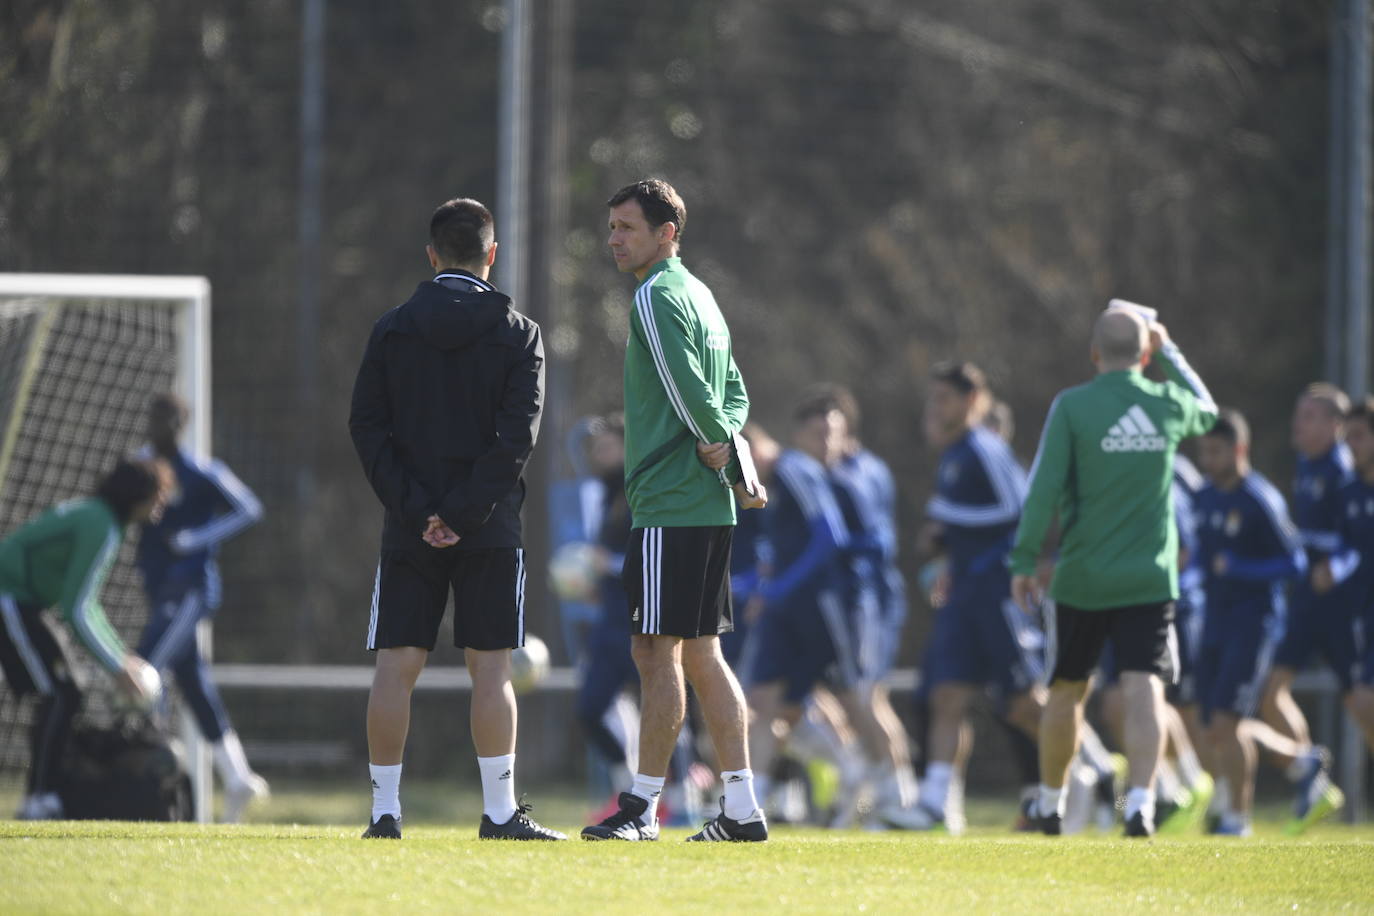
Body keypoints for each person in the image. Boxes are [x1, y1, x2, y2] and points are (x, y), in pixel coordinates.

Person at [348, 196, 562, 841]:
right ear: (492, 255)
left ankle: (385, 812)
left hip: (409, 525)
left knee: (396, 666)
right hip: (490, 525)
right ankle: (499, 814)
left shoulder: (393, 327)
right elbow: (515, 439)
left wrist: (418, 510)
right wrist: (465, 514)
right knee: (492, 670)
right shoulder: (519, 332)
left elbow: (367, 427)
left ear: (432, 254)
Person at [584, 178, 767, 842]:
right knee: (701, 654)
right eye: (612, 227)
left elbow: (689, 389)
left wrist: (719, 441)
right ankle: (742, 807)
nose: (614, 239)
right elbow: (737, 389)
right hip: (706, 506)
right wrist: (732, 440)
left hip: (670, 502)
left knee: (655, 651)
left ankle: (641, 809)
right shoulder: (702, 294)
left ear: (667, 233)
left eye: (627, 227)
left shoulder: (657, 295)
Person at [1010, 306, 1217, 837]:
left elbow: (1043, 491)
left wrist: (1025, 558)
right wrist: (1169, 351)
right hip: (1148, 577)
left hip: (1082, 578)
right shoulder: (1166, 403)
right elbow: (1209, 410)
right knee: (1145, 685)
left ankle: (1052, 804)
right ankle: (1144, 803)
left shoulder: (1073, 407)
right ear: (1145, 354)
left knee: (1066, 690)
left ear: (1094, 353)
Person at [895, 362, 1042, 831]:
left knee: (1022, 704)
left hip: (997, 592)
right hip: (964, 594)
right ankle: (935, 804)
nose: (936, 407)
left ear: (972, 401)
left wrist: (944, 513)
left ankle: (1088, 774)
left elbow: (1015, 508)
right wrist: (943, 544)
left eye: (945, 398)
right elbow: (968, 520)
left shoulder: (983, 447)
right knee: (946, 695)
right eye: (933, 398)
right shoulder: (955, 453)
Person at [0, 457, 171, 819]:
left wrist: (122, 656)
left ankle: (43, 795)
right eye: (157, 495)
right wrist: (115, 668)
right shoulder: (100, 525)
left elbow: (86, 603)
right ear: (137, 495)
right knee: (59, 691)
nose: (161, 503)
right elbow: (76, 610)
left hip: (25, 604)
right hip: (10, 599)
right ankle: (39, 798)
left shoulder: (101, 519)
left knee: (65, 691)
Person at [1192, 410, 1334, 835]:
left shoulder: (1260, 498)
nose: (1208, 460)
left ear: (1239, 450)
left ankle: (1238, 818)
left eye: (1216, 451)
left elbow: (1294, 563)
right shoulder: (1207, 495)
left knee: (1226, 722)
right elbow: (1203, 558)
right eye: (1204, 452)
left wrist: (1239, 567)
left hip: (1253, 624)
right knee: (1210, 725)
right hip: (1213, 620)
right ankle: (1301, 761)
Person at [135, 393, 268, 822]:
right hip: (159, 588)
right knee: (192, 679)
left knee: (145, 665)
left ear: (181, 425)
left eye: (170, 421)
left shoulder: (200, 471)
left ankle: (149, 768)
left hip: (190, 589)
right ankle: (237, 776)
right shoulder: (140, 467)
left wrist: (198, 537)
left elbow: (249, 508)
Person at [1262, 383, 1357, 826]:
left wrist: (1332, 569)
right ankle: (1310, 778)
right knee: (1270, 692)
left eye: (1310, 416)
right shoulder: (1306, 464)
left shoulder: (1345, 470)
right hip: (1306, 602)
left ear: (1336, 425)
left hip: (1341, 606)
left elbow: (1356, 540)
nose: (1299, 424)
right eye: (1298, 414)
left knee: (1360, 701)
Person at [1328, 396, 1374, 752]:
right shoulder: (1347, 492)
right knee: (1361, 704)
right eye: (1348, 436)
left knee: (1364, 700)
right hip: (1361, 614)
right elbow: (1345, 549)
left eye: (1358, 436)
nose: (1350, 445)